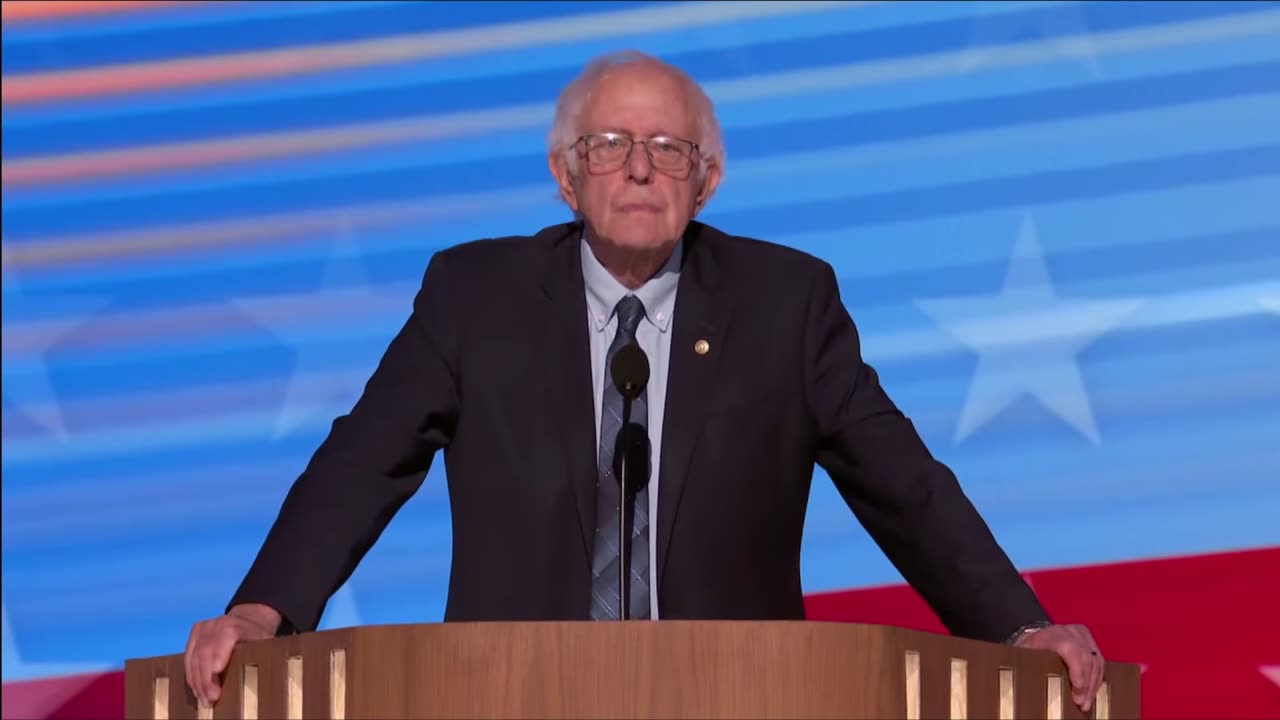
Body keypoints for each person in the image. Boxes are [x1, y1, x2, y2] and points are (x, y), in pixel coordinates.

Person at [185, 50, 1105, 712]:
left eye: (669, 149)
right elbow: (361, 464)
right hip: (504, 699)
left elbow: (904, 487)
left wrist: (1020, 633)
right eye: (612, 143)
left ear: (705, 183)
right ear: (564, 174)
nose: (638, 167)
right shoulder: (476, 296)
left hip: (742, 701)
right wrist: (263, 612)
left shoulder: (786, 303)